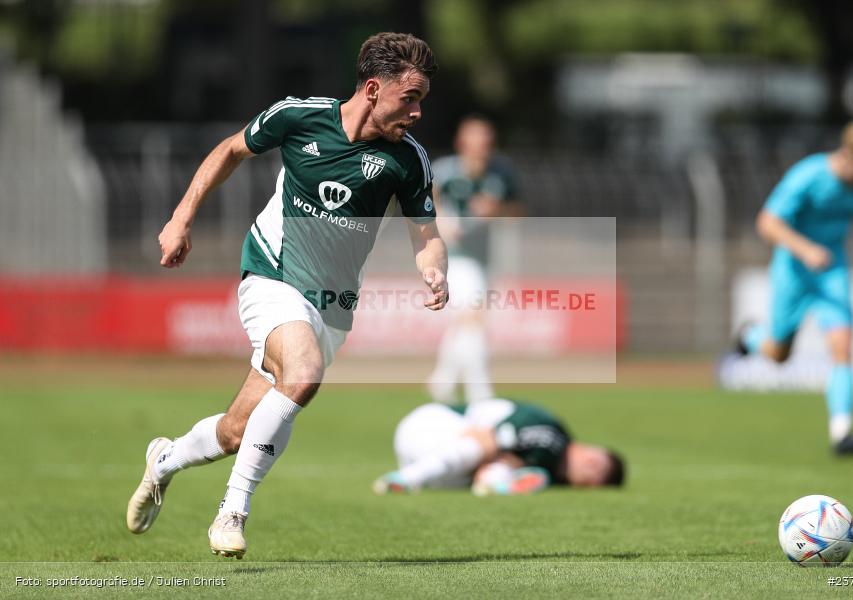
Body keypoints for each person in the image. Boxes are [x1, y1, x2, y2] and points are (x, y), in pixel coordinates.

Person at [126, 32, 447, 559]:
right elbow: (231, 149)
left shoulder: (408, 160)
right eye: (408, 98)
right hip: (271, 273)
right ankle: (232, 512)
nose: (416, 112)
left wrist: (434, 272)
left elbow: (426, 236)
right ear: (372, 88)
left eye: (421, 101)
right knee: (302, 374)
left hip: (333, 303)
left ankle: (164, 460)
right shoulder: (300, 117)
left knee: (235, 432)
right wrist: (181, 219)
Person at [735, 122, 853, 455]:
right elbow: (768, 223)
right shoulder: (807, 176)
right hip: (794, 270)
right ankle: (750, 337)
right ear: (848, 156)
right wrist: (805, 249)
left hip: (832, 270)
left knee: (842, 347)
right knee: (779, 354)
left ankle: (842, 431)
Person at [427, 116, 522, 404]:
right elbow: (426, 197)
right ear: (462, 144)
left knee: (464, 323)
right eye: (474, 142)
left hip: (484, 256)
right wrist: (441, 220)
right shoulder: (446, 172)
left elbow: (518, 211)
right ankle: (480, 391)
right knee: (473, 320)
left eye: (486, 142)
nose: (480, 148)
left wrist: (498, 209)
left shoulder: (500, 174)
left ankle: (442, 380)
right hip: (454, 258)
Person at [373, 398, 625, 495]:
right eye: (597, 461)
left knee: (490, 470)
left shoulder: (545, 468)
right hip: (427, 427)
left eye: (598, 476)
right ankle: (406, 479)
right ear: (591, 450)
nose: (591, 467)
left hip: (438, 471)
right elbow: (488, 440)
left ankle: (409, 477)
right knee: (482, 446)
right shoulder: (550, 434)